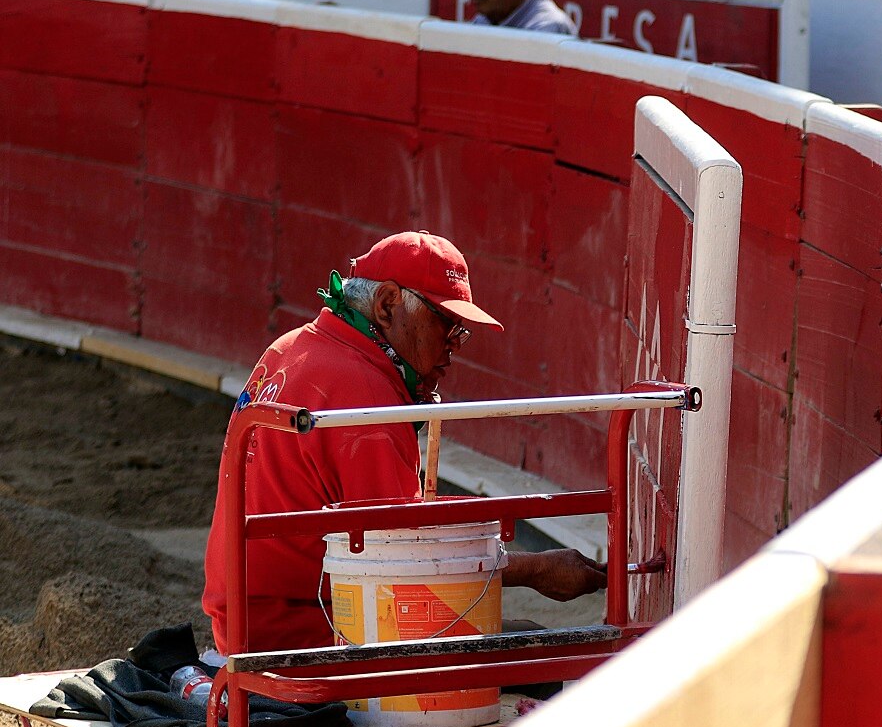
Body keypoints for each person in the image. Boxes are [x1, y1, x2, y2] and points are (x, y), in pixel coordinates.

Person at [200, 230, 606, 658]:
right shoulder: (364, 394)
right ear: (388, 305)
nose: (453, 348)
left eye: (459, 331)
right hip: (300, 636)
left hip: (249, 627)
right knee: (539, 651)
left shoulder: (292, 346)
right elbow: (409, 559)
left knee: (516, 637)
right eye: (445, 324)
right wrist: (538, 567)